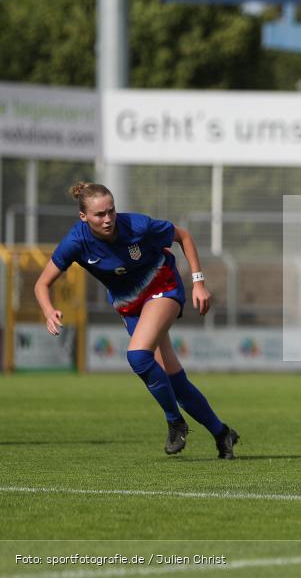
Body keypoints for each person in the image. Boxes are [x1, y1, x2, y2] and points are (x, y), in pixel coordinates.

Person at [34, 183, 239, 459]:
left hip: (161, 285)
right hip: (129, 305)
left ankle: (174, 422)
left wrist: (198, 283)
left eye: (111, 211)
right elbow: (41, 284)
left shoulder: (137, 226)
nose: (108, 219)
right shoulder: (76, 242)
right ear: (83, 217)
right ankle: (222, 434)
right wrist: (48, 310)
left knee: (138, 356)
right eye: (99, 215)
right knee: (173, 381)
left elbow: (184, 237)